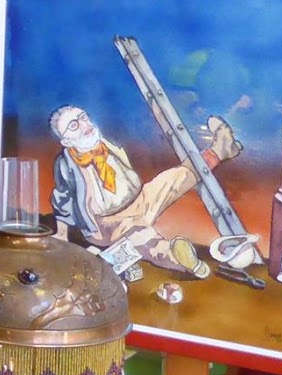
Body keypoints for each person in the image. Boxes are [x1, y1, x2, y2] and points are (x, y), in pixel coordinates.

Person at [48, 104, 242, 279]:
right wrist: (62, 234)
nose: (84, 125)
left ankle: (221, 150)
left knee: (174, 178)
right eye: (74, 125)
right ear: (66, 142)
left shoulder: (102, 143)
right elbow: (62, 200)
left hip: (139, 200)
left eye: (83, 117)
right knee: (142, 238)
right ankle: (180, 257)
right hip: (109, 224)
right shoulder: (66, 165)